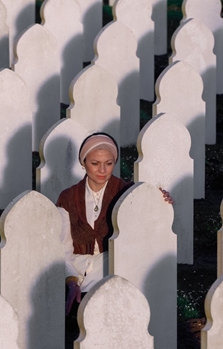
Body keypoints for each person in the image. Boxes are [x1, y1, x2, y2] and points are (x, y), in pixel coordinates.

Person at [56, 132, 171, 314]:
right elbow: (63, 248)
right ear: (83, 163)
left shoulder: (128, 193)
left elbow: (151, 224)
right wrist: (71, 282)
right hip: (75, 267)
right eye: (95, 163)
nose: (102, 170)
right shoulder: (68, 197)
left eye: (108, 164)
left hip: (111, 266)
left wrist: (160, 199)